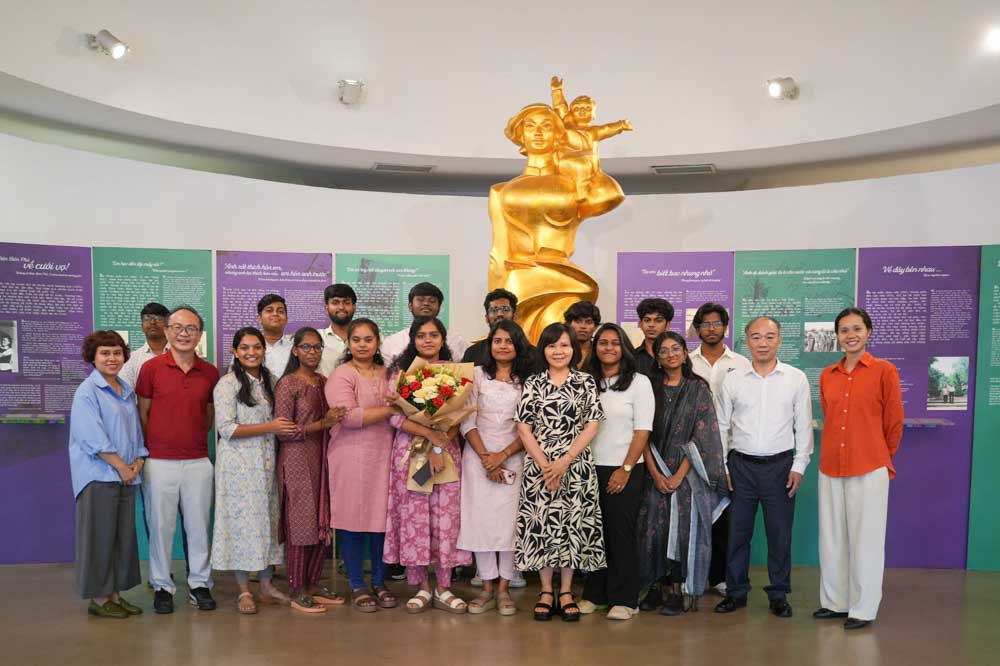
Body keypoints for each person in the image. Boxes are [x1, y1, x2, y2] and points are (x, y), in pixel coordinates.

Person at [714, 316, 813, 618]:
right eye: (756, 337)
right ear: (747, 341)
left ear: (780, 340)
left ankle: (779, 594)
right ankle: (736, 591)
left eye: (769, 337)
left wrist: (799, 465)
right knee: (737, 534)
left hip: (780, 467)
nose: (763, 343)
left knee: (779, 535)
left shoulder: (795, 378)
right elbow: (719, 425)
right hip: (740, 467)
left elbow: (803, 425)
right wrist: (724, 468)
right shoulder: (733, 379)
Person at [815, 307, 904, 630]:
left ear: (868, 332)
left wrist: (881, 456)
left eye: (856, 329)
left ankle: (863, 608)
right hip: (831, 466)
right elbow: (830, 415)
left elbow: (894, 422)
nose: (850, 335)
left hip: (870, 466)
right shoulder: (828, 375)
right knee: (832, 537)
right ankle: (835, 602)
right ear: (837, 336)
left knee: (866, 540)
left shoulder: (884, 371)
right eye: (843, 330)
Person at [515, 322, 606, 622]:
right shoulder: (533, 383)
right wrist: (545, 465)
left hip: (575, 465)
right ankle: (544, 590)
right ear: (544, 349)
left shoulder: (586, 382)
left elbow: (593, 424)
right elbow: (523, 428)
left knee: (570, 527)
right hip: (539, 466)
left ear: (574, 349)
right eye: (552, 345)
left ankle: (566, 591)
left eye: (564, 345)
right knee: (542, 527)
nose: (558, 351)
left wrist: (564, 460)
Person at [384, 316, 472, 614]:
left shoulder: (455, 372)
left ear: (442, 338)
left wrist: (439, 440)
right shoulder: (400, 373)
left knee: (445, 518)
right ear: (413, 339)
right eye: (421, 335)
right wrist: (429, 434)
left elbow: (458, 417)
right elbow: (395, 416)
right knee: (416, 518)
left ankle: (445, 587)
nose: (428, 340)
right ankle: (421, 587)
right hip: (411, 454)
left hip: (446, 452)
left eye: (434, 335)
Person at [637, 331, 728, 615]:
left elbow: (703, 436)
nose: (670, 354)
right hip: (652, 472)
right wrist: (655, 472)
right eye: (663, 351)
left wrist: (678, 475)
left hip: (686, 475)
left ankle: (676, 590)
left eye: (675, 348)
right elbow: (640, 432)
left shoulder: (698, 388)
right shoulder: (648, 388)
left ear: (684, 352)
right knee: (651, 529)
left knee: (681, 531)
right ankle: (654, 586)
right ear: (658, 358)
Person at [136, 305, 219, 614]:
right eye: (178, 328)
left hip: (198, 460)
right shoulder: (151, 368)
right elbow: (143, 412)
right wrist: (157, 444)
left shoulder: (209, 372)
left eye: (191, 329)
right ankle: (162, 586)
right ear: (168, 331)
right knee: (160, 527)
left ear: (199, 334)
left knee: (199, 526)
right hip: (158, 461)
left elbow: (208, 415)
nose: (185, 334)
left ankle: (200, 584)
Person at [211, 327, 295, 614]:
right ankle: (244, 590)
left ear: (263, 350)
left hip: (267, 464)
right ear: (235, 351)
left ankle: (267, 585)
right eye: (244, 347)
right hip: (238, 468)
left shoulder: (270, 380)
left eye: (256, 347)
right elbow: (226, 428)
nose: (251, 352)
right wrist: (269, 427)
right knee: (242, 528)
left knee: (268, 525)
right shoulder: (227, 384)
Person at [457, 319, 535, 616]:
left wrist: (501, 456)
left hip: (514, 456)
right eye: (498, 340)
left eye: (509, 341)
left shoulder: (527, 381)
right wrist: (485, 457)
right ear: (489, 345)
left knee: (509, 524)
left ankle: (504, 588)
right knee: (481, 521)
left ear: (518, 346)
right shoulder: (476, 375)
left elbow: (529, 425)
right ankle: (487, 586)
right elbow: (466, 419)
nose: (503, 346)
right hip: (477, 456)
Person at [69, 330, 146, 618]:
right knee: (99, 538)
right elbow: (92, 438)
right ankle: (100, 599)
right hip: (99, 477)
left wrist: (138, 459)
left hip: (125, 476)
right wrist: (121, 466)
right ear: (93, 357)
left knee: (120, 538)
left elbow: (135, 430)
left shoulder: (124, 389)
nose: (112, 358)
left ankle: (114, 594)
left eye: (116, 353)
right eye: (105, 353)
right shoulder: (87, 392)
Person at [580, 324, 654, 621]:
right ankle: (595, 594)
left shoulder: (639, 382)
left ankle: (626, 598)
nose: (608, 348)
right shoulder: (586, 381)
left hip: (625, 467)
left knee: (620, 533)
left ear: (624, 347)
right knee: (593, 534)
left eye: (615, 343)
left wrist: (625, 468)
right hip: (587, 467)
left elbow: (642, 430)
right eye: (603, 343)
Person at [326, 318, 398, 612]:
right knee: (352, 521)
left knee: (381, 522)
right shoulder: (341, 375)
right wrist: (392, 408)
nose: (363, 344)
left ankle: (380, 582)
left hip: (384, 454)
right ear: (349, 343)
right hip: (349, 455)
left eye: (368, 339)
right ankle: (357, 584)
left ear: (378, 342)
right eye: (357, 339)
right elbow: (350, 418)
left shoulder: (389, 373)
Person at [275, 327, 346, 613]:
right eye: (306, 347)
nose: (312, 353)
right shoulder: (287, 384)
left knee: (320, 523)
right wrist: (322, 424)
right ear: (295, 351)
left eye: (317, 348)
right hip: (295, 459)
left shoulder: (322, 381)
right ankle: (296, 589)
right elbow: (283, 431)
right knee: (301, 525)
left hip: (322, 458)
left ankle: (313, 584)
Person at [688, 302, 750, 594]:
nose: (711, 329)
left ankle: (721, 576)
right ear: (697, 328)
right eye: (705, 324)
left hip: (730, 448)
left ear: (725, 327)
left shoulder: (741, 364)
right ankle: (693, 574)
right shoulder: (687, 362)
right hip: (693, 452)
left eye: (716, 324)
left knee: (726, 515)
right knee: (695, 515)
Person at [380, 282, 467, 364]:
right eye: (420, 300)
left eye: (432, 301)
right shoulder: (392, 341)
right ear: (410, 306)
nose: (426, 303)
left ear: (439, 307)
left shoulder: (456, 340)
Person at [462, 288, 520, 365]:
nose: (500, 314)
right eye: (494, 310)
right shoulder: (472, 353)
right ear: (486, 318)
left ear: (515, 317)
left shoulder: (530, 353)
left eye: (505, 309)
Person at [119, 302, 170, 389]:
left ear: (168, 326)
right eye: (147, 318)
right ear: (142, 326)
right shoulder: (131, 360)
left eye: (158, 318)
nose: (152, 322)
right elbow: (126, 394)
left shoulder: (180, 355)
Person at [318, 283, 356, 378]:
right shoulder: (317, 338)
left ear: (354, 308)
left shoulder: (369, 339)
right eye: (335, 303)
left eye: (346, 303)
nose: (341, 307)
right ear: (326, 308)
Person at [633, 298, 673, 376]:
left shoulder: (675, 356)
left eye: (658, 320)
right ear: (640, 324)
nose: (651, 325)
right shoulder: (631, 357)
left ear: (667, 325)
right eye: (647, 320)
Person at [257, 294, 293, 377]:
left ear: (286, 319)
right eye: (269, 310)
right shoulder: (249, 347)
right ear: (259, 318)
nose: (275, 314)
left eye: (280, 311)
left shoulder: (295, 346)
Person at [563, 301, 600, 369]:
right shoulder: (560, 351)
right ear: (568, 324)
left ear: (595, 326)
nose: (583, 326)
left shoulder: (600, 352)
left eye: (589, 322)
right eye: (578, 321)